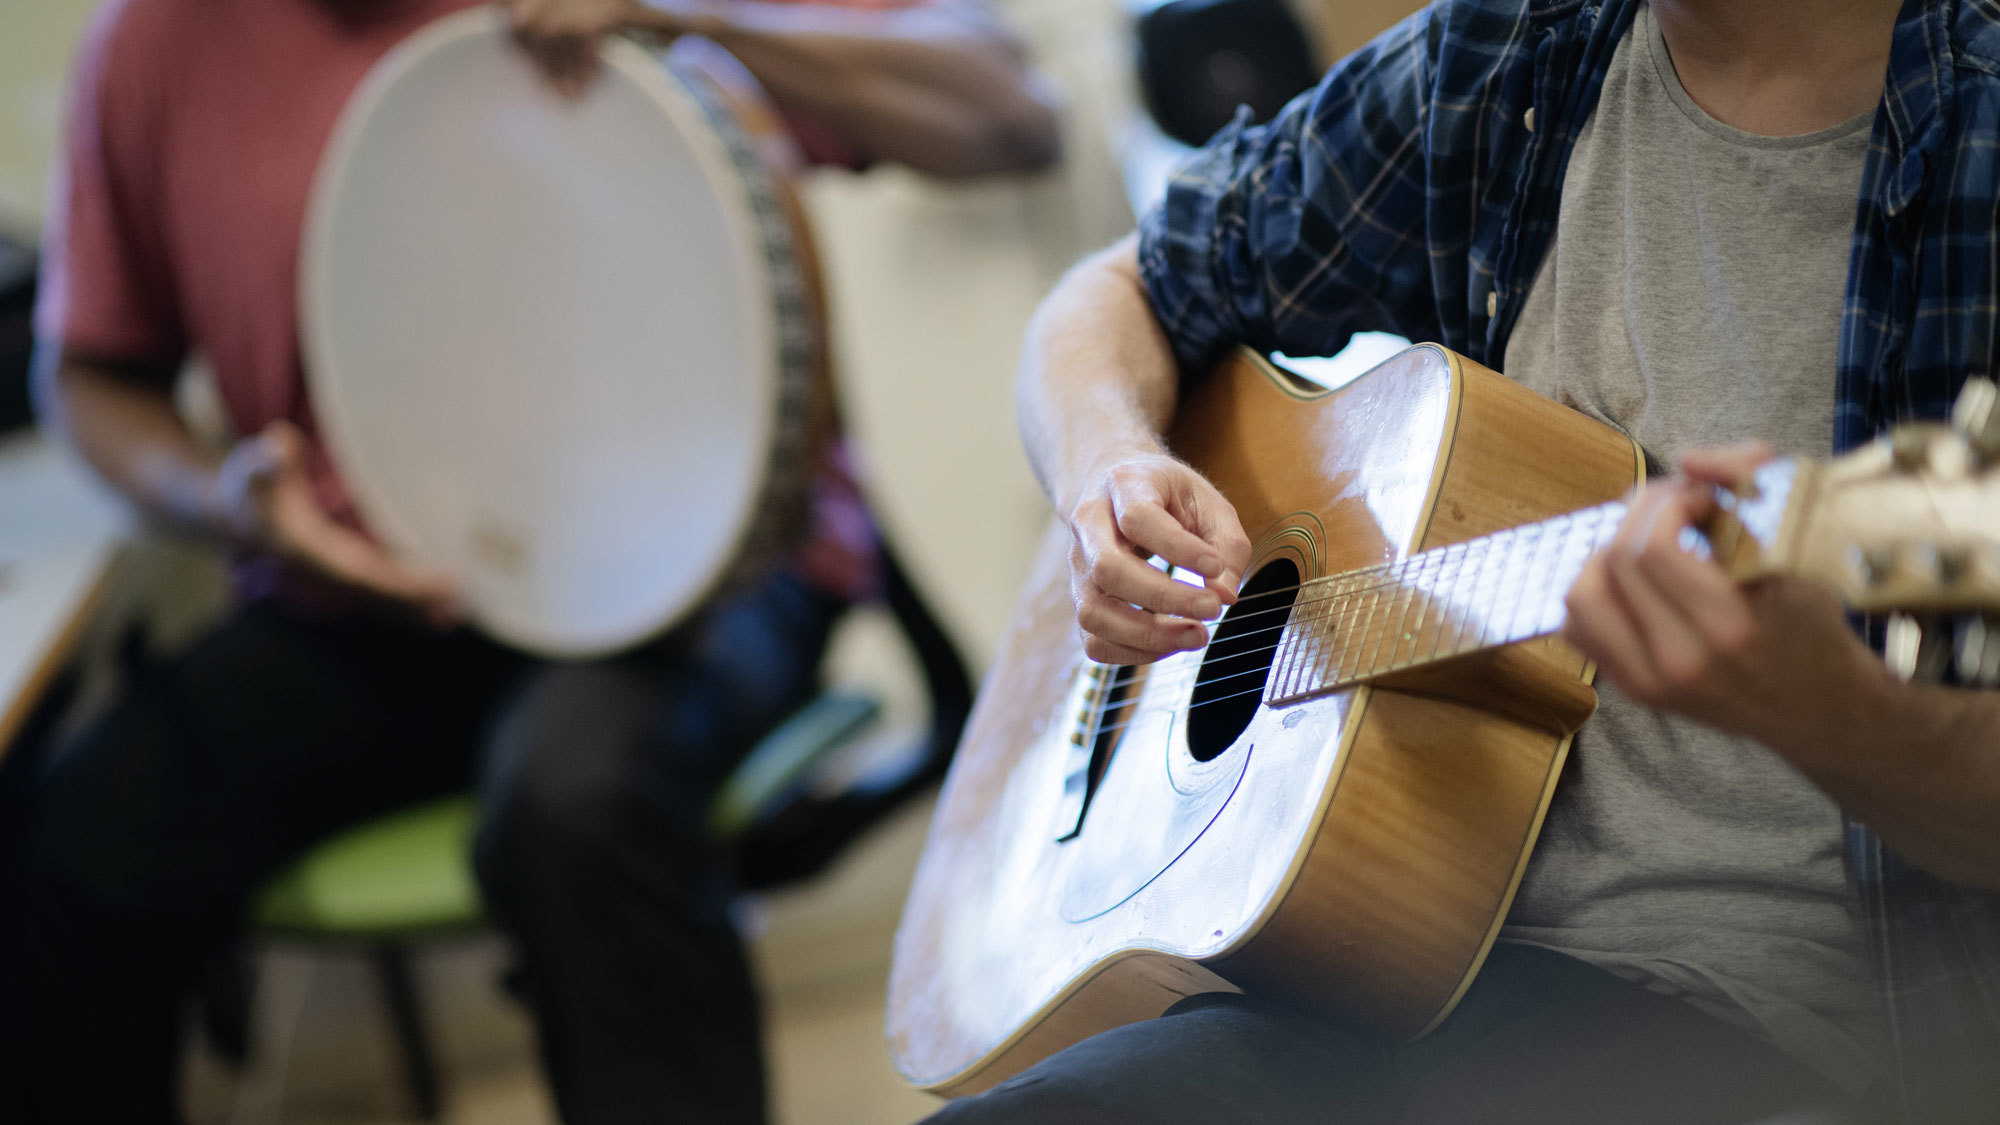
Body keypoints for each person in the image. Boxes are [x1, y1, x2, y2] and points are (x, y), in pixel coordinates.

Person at [927, 0, 2000, 1122]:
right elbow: (1116, 291)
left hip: (1766, 1025)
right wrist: (1108, 468)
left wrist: (1829, 714)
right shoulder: (1507, 55)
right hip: (1369, 957)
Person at [0, 0, 1056, 1122]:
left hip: (705, 580)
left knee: (575, 800)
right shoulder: (157, 42)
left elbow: (1010, 113)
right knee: (76, 846)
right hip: (362, 598)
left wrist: (684, 20)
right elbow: (89, 376)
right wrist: (225, 503)